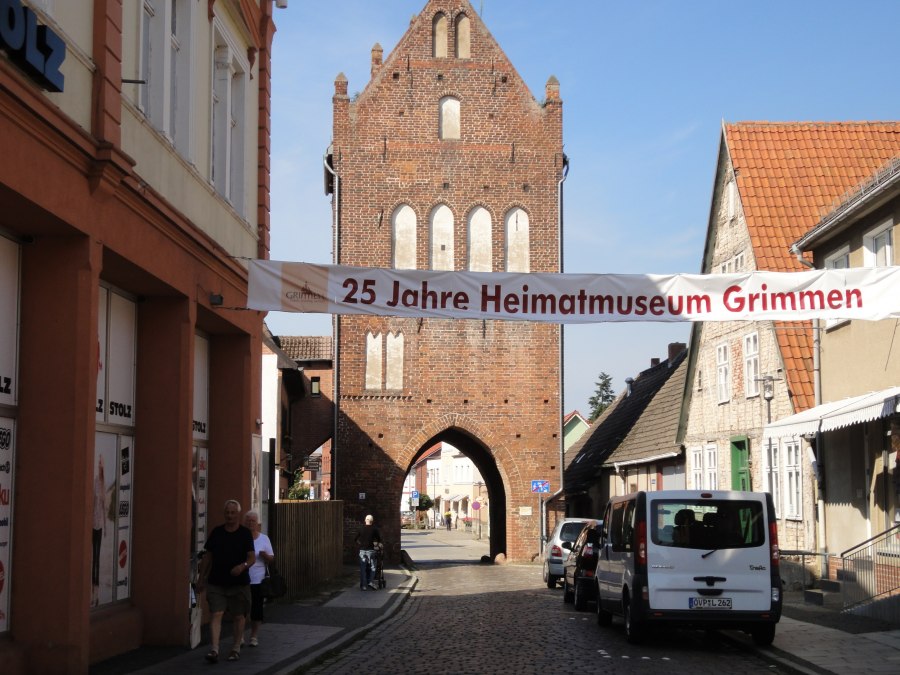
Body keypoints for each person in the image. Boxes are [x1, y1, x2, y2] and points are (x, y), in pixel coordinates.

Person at [197, 499, 255, 663]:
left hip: (239, 583)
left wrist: (242, 567)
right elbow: (209, 556)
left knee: (238, 616)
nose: (230, 516)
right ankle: (214, 649)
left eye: (233, 513)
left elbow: (251, 558)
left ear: (238, 514)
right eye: (227, 513)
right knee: (216, 613)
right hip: (217, 581)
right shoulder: (217, 532)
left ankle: (235, 648)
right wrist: (202, 578)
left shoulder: (244, 534)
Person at [243, 510, 274, 648]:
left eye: (253, 521)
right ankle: (241, 635)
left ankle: (254, 636)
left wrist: (264, 556)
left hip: (258, 579)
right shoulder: (241, 538)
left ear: (257, 523)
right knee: (242, 609)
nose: (250, 523)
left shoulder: (264, 539)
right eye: (248, 520)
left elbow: (271, 558)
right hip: (242, 579)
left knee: (256, 609)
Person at [91, 454, 107, 608]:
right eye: (99, 466)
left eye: (101, 466)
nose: (100, 468)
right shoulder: (95, 482)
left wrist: (107, 528)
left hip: (100, 524)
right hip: (92, 524)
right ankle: (92, 591)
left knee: (97, 557)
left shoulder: (103, 484)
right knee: (93, 558)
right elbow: (93, 503)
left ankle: (96, 592)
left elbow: (104, 506)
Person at [355, 514, 382, 590]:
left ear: (365, 520)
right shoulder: (374, 529)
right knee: (373, 567)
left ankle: (363, 586)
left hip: (362, 551)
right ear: (372, 521)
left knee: (363, 568)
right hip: (371, 551)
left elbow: (355, 539)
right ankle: (370, 582)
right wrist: (377, 544)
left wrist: (360, 543)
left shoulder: (361, 528)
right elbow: (379, 540)